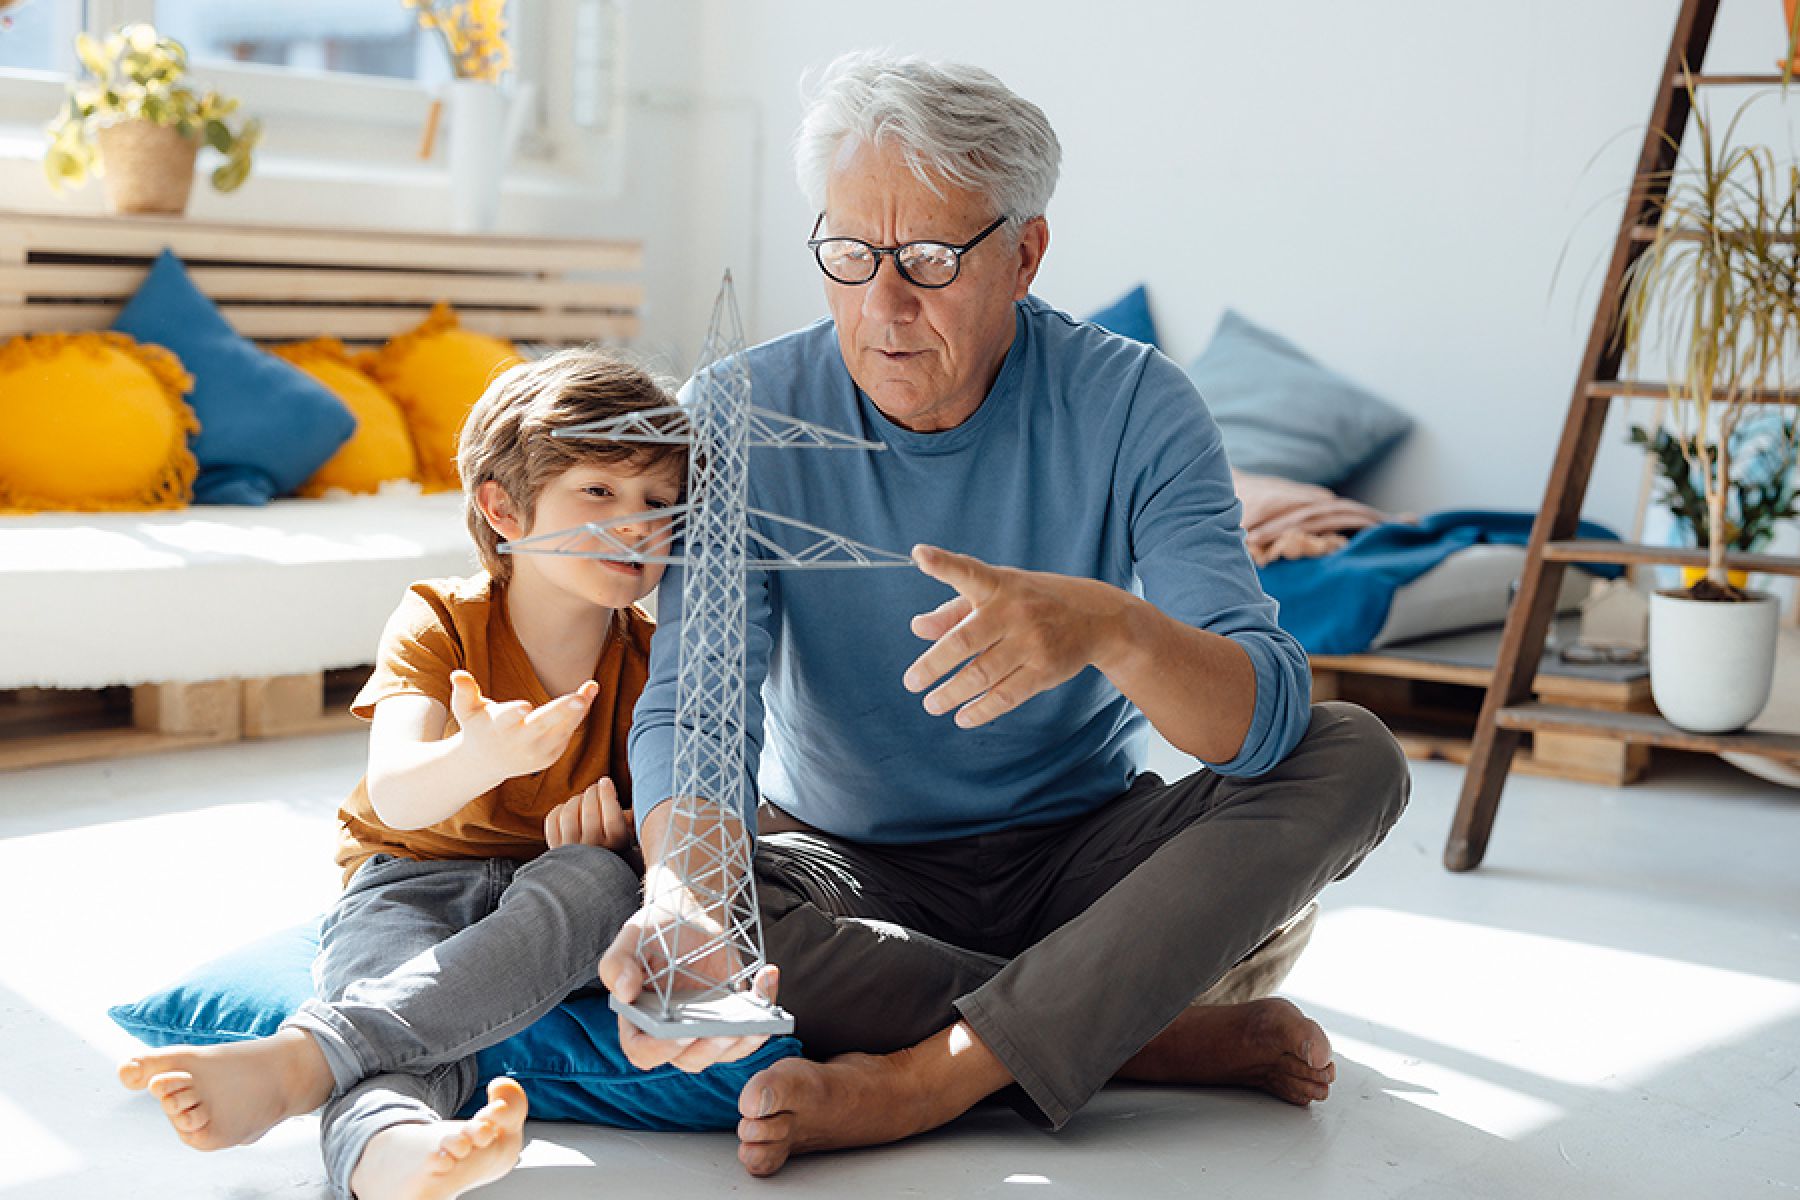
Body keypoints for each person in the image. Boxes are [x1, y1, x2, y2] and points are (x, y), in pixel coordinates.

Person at [600, 51, 1411, 1177]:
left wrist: (1110, 629)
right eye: (849, 254)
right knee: (650, 893)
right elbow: (698, 704)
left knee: (1354, 754)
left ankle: (935, 1074)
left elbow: (1261, 726)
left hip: (1085, 861)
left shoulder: (1137, 404)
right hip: (848, 866)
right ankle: (1147, 1031)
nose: (881, 306)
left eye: (929, 259)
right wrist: (688, 898)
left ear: (1025, 252)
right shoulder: (739, 411)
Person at [120, 348, 689, 1200]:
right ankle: (393, 1151)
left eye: (658, 502)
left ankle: (306, 1059)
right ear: (504, 508)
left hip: (558, 885)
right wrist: (482, 756)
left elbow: (680, 813)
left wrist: (624, 845)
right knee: (394, 995)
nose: (637, 524)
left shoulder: (654, 659)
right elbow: (397, 790)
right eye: (599, 492)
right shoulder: (439, 621)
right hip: (409, 877)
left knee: (599, 882)